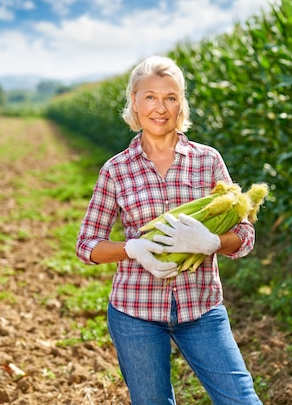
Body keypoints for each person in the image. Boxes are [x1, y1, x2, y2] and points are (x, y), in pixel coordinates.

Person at [76, 55, 262, 405]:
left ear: (181, 103)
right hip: (136, 313)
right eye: (150, 97)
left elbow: (245, 235)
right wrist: (133, 249)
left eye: (170, 97)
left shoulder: (208, 161)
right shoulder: (116, 170)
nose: (160, 108)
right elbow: (87, 245)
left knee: (241, 399)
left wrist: (211, 243)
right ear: (134, 101)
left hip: (201, 309)